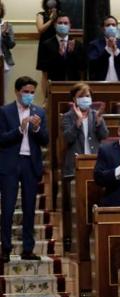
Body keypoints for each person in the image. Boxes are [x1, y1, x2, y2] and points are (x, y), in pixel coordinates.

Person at [0, 76, 49, 262]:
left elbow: (45, 140)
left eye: (32, 92)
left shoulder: (39, 112)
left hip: (31, 163)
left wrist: (36, 129)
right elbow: (1, 139)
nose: (29, 95)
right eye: (26, 92)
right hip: (10, 164)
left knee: (29, 208)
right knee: (8, 207)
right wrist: (20, 130)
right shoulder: (5, 111)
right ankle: (5, 248)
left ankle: (28, 249)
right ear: (17, 91)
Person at [62, 82, 108, 176]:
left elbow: (104, 135)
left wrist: (99, 122)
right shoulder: (67, 116)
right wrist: (78, 122)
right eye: (81, 96)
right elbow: (68, 138)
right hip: (76, 162)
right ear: (74, 99)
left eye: (87, 96)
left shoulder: (96, 114)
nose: (85, 99)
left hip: (95, 161)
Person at [39, 13, 85, 81]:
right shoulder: (46, 45)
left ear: (70, 26)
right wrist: (58, 55)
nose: (63, 25)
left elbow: (82, 67)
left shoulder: (78, 44)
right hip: (54, 84)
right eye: (60, 23)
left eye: (66, 23)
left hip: (74, 84)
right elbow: (44, 70)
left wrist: (73, 54)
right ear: (55, 25)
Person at [87, 15, 120, 81]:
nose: (111, 27)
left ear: (117, 27)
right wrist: (107, 50)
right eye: (108, 25)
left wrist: (117, 51)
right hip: (100, 85)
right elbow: (92, 65)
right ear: (102, 28)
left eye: (113, 25)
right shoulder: (95, 45)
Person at [35, 0, 61, 88]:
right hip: (44, 45)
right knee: (45, 73)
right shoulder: (40, 14)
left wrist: (56, 17)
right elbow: (40, 29)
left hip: (58, 44)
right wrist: (51, 19)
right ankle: (46, 99)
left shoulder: (61, 14)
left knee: (58, 71)